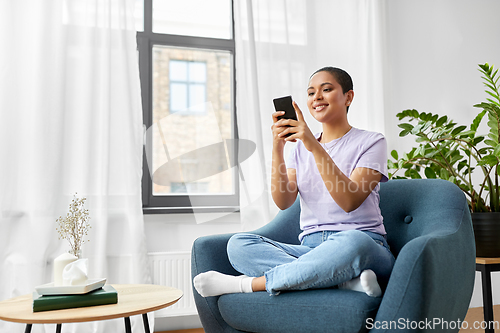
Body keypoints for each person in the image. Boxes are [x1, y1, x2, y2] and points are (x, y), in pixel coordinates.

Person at [193, 67, 395, 298]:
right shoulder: (299, 148)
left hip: (363, 243)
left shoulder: (371, 141)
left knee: (353, 242)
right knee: (239, 245)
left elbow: (349, 201)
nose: (316, 97)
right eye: (310, 93)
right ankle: (339, 280)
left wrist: (313, 145)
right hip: (309, 247)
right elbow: (283, 201)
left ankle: (247, 284)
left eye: (326, 89)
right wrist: (277, 149)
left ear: (348, 96)